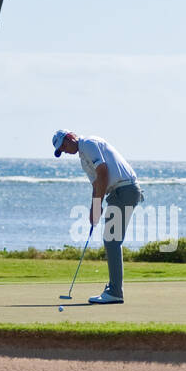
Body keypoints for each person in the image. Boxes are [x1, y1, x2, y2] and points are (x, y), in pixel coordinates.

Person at [53, 130, 144, 304]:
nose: (64, 150)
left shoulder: (88, 143)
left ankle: (115, 292)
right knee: (111, 240)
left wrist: (97, 204)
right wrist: (94, 208)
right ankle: (113, 289)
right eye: (61, 150)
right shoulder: (83, 158)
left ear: (70, 137)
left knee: (112, 240)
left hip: (124, 190)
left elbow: (103, 172)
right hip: (119, 192)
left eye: (64, 145)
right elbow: (96, 183)